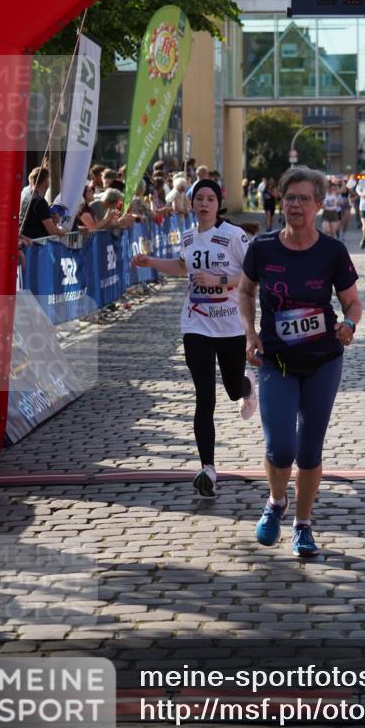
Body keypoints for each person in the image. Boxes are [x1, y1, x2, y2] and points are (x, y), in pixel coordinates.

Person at [238, 166, 363, 557]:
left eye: (303, 198)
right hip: (276, 359)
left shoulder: (332, 252)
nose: (295, 205)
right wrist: (249, 333)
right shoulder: (263, 248)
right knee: (280, 447)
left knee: (309, 451)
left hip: (324, 360)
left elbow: (353, 301)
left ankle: (303, 525)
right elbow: (245, 292)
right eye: (289, 197)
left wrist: (349, 324)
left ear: (318, 204)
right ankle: (276, 502)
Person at [131, 179, 256, 497]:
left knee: (230, 390)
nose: (203, 204)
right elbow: (181, 266)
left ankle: (247, 386)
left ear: (219, 203)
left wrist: (222, 280)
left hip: (230, 325)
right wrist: (151, 263)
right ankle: (208, 470)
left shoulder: (233, 236)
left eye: (210, 198)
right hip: (195, 324)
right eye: (198, 198)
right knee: (204, 396)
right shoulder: (188, 235)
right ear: (191, 203)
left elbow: (254, 275)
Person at [20, 168, 67, 240]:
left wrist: (52, 219)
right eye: (49, 179)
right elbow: (52, 230)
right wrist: (64, 232)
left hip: (25, 241)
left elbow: (34, 219)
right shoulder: (40, 202)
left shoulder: (26, 196)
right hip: (34, 246)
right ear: (45, 181)